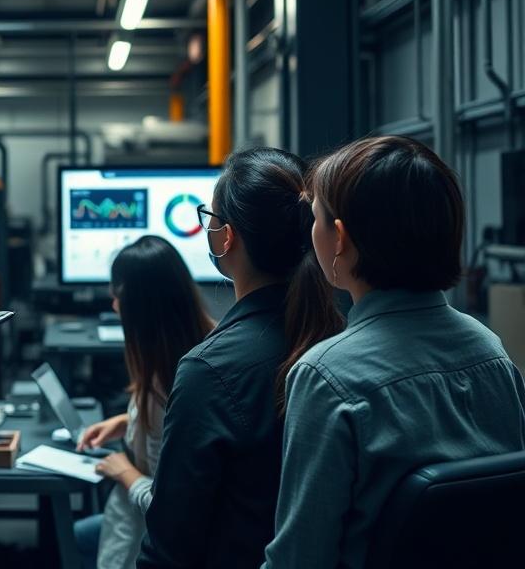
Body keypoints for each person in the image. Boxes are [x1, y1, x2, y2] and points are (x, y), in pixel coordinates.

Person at [262, 136, 525, 569]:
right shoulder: (491, 352)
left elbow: (299, 559)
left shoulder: (325, 376)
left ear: (340, 238)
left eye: (315, 218)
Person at [138, 148, 344, 569]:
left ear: (225, 237)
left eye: (210, 218)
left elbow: (168, 548)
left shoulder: (209, 371)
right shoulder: (339, 337)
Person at [72, 236, 214, 569]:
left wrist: (123, 471)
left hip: (146, 539)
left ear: (140, 306)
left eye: (117, 296)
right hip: (139, 521)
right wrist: (126, 421)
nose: (114, 306)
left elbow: (166, 510)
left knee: (71, 539)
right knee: (77, 536)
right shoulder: (204, 346)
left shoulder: (167, 386)